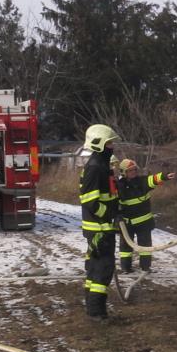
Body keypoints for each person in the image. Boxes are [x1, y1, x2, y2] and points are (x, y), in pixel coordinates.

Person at [78, 124, 120, 320]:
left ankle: (92, 307)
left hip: (100, 227)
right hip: (100, 228)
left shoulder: (101, 165)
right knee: (103, 268)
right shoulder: (95, 167)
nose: (112, 146)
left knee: (95, 267)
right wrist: (109, 215)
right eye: (110, 142)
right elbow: (89, 201)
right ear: (99, 144)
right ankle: (96, 312)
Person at [116, 158, 167, 273]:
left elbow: (153, 179)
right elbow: (114, 201)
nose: (133, 172)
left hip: (144, 223)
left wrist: (164, 176)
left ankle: (145, 267)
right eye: (130, 170)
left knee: (145, 246)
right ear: (124, 172)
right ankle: (126, 268)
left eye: (134, 169)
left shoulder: (142, 181)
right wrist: (117, 214)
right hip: (127, 223)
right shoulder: (119, 186)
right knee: (126, 247)